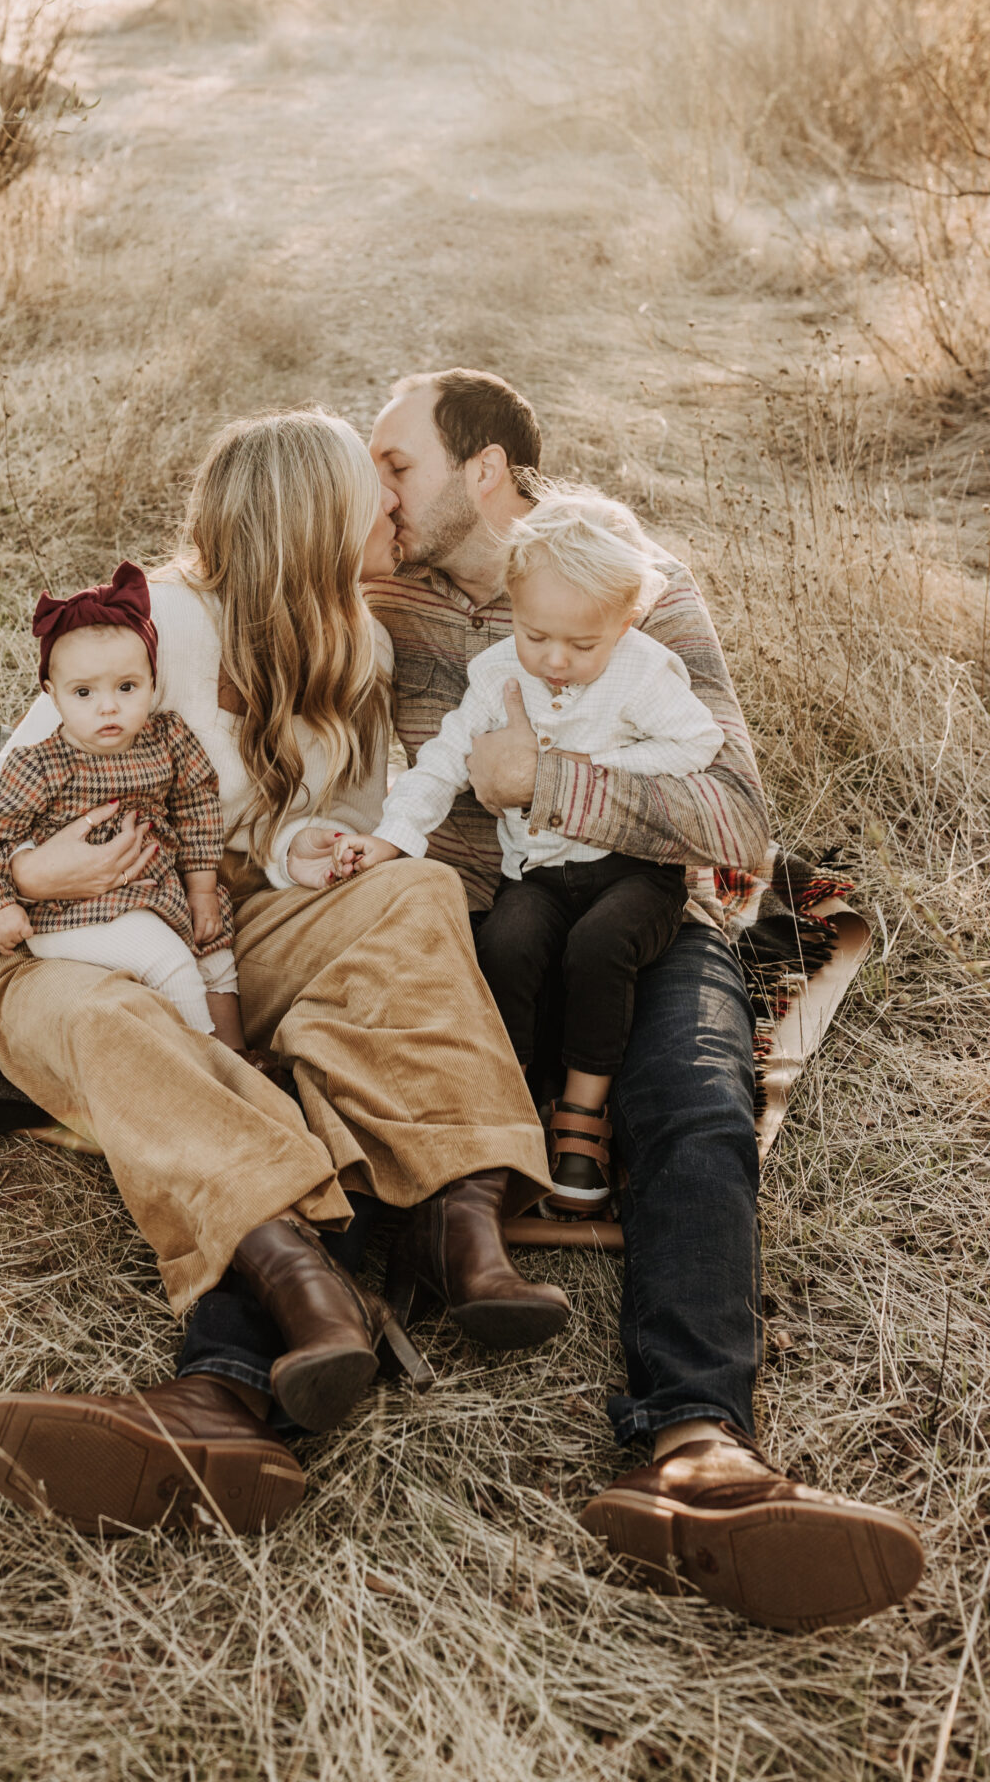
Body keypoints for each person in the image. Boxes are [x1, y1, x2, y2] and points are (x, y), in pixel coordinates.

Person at [367, 368, 926, 1634]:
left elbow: (736, 819)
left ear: (487, 471)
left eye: (395, 463)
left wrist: (552, 780)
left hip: (641, 909)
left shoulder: (634, 586)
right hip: (453, 926)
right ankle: (235, 1392)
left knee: (695, 1098)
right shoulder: (368, 580)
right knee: (343, 1074)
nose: (375, 488)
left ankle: (694, 1447)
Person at [0, 409, 567, 1534]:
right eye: (369, 492)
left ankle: (455, 1213)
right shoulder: (157, 628)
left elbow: (316, 826)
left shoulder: (351, 641)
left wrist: (316, 847)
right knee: (117, 1022)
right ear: (308, 525)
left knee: (410, 895)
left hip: (220, 916)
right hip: (50, 935)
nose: (392, 504)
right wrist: (34, 874)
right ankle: (303, 1277)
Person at [344, 489, 723, 1215]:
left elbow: (697, 744)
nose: (554, 661)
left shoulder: (641, 670)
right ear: (512, 605)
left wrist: (576, 773)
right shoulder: (496, 674)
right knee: (508, 944)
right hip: (538, 872)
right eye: (533, 635)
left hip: (632, 872)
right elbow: (444, 760)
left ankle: (582, 1121)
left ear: (624, 621)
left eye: (582, 646)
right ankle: (509, 1105)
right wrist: (393, 838)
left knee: (598, 949)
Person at [0, 560, 246, 1048]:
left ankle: (237, 1052)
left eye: (126, 687)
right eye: (84, 693)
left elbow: (199, 808)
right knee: (168, 961)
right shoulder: (41, 765)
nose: (108, 707)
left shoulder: (168, 739)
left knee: (214, 945)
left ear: (152, 680)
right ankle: (210, 1068)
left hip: (154, 891)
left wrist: (201, 889)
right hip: (70, 909)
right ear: (53, 695)